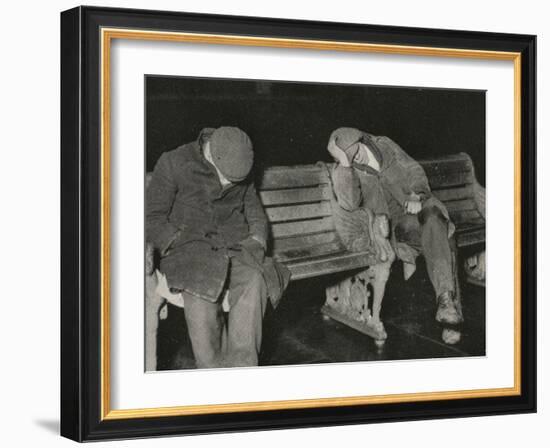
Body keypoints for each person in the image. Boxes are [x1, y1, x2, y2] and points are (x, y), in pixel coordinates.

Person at [146, 126, 289, 368]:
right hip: (189, 252)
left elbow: (255, 213)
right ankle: (213, 376)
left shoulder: (239, 162)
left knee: (255, 280)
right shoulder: (174, 162)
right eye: (226, 178)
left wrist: (257, 240)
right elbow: (152, 217)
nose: (227, 185)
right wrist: (176, 242)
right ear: (211, 153)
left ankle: (243, 371)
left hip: (235, 248)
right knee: (202, 304)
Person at [326, 127, 463, 338]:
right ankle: (451, 316)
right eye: (348, 156)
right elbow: (350, 204)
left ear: (362, 140)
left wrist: (417, 195)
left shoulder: (385, 145)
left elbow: (413, 169)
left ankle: (446, 303)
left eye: (355, 151)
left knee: (435, 217)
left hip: (416, 207)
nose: (355, 157)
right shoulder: (343, 171)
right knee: (444, 236)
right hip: (390, 227)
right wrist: (345, 164)